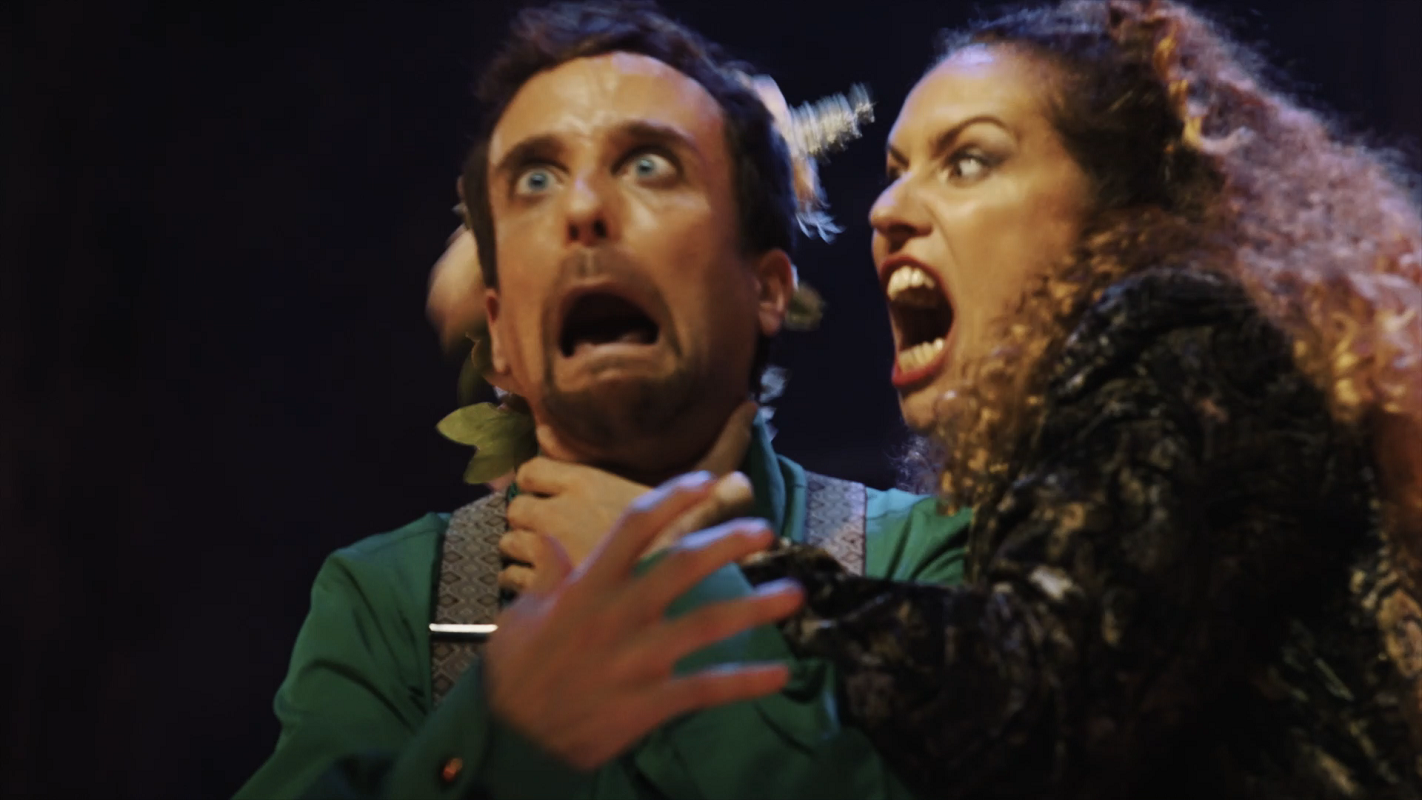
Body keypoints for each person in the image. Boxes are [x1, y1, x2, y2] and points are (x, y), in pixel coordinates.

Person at [612, 0, 1422, 796]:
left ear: (1119, 216)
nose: (886, 210)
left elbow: (1032, 706)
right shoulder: (1063, 453)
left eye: (968, 162)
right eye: (894, 174)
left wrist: (704, 563)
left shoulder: (1184, 335)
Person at [237, 3, 970, 799]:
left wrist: (676, 597)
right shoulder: (395, 605)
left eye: (650, 166)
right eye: (536, 180)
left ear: (766, 290)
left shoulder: (923, 565)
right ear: (499, 331)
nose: (583, 208)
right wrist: (502, 737)